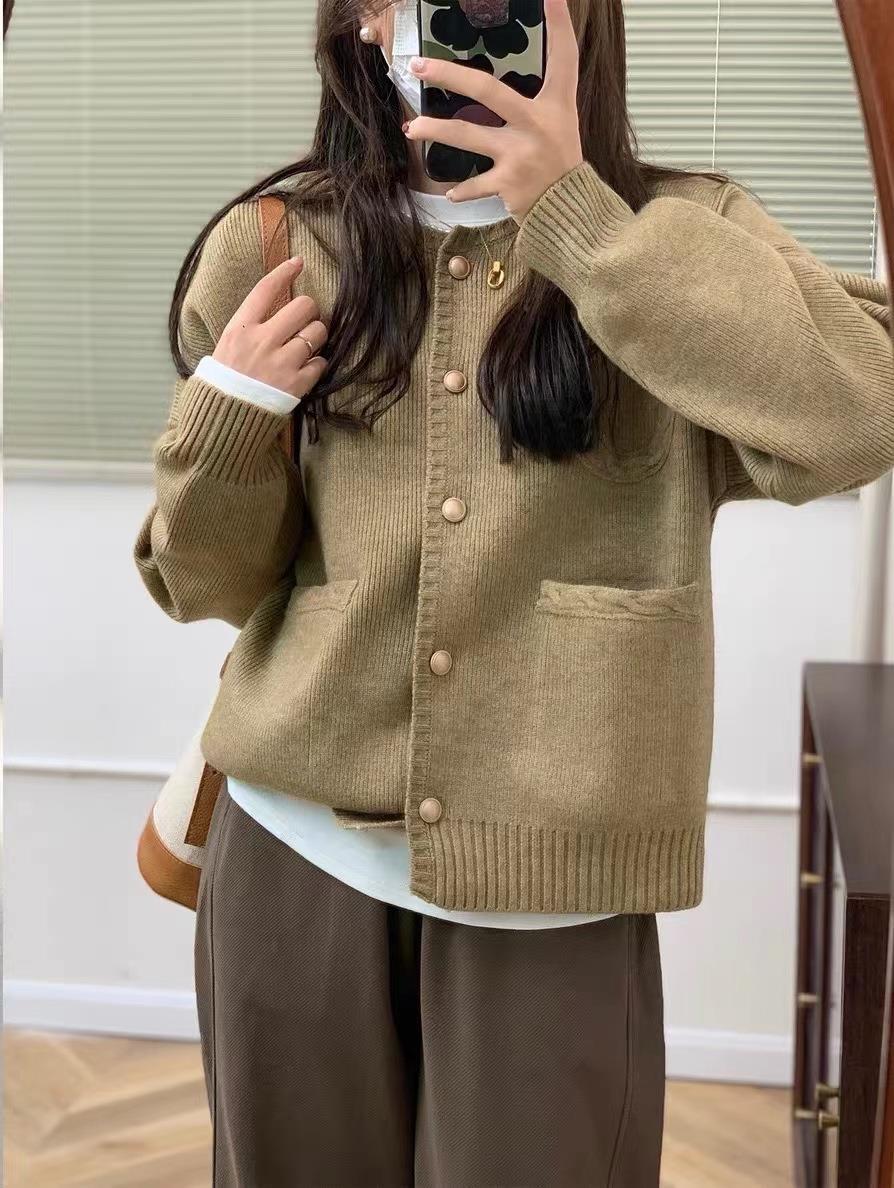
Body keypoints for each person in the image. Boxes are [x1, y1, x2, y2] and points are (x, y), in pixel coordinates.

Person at [133, 0, 893, 1183]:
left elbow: (860, 413)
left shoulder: (681, 233)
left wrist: (576, 218)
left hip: (556, 902)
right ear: (367, 21)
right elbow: (203, 584)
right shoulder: (280, 242)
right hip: (289, 870)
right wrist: (231, 413)